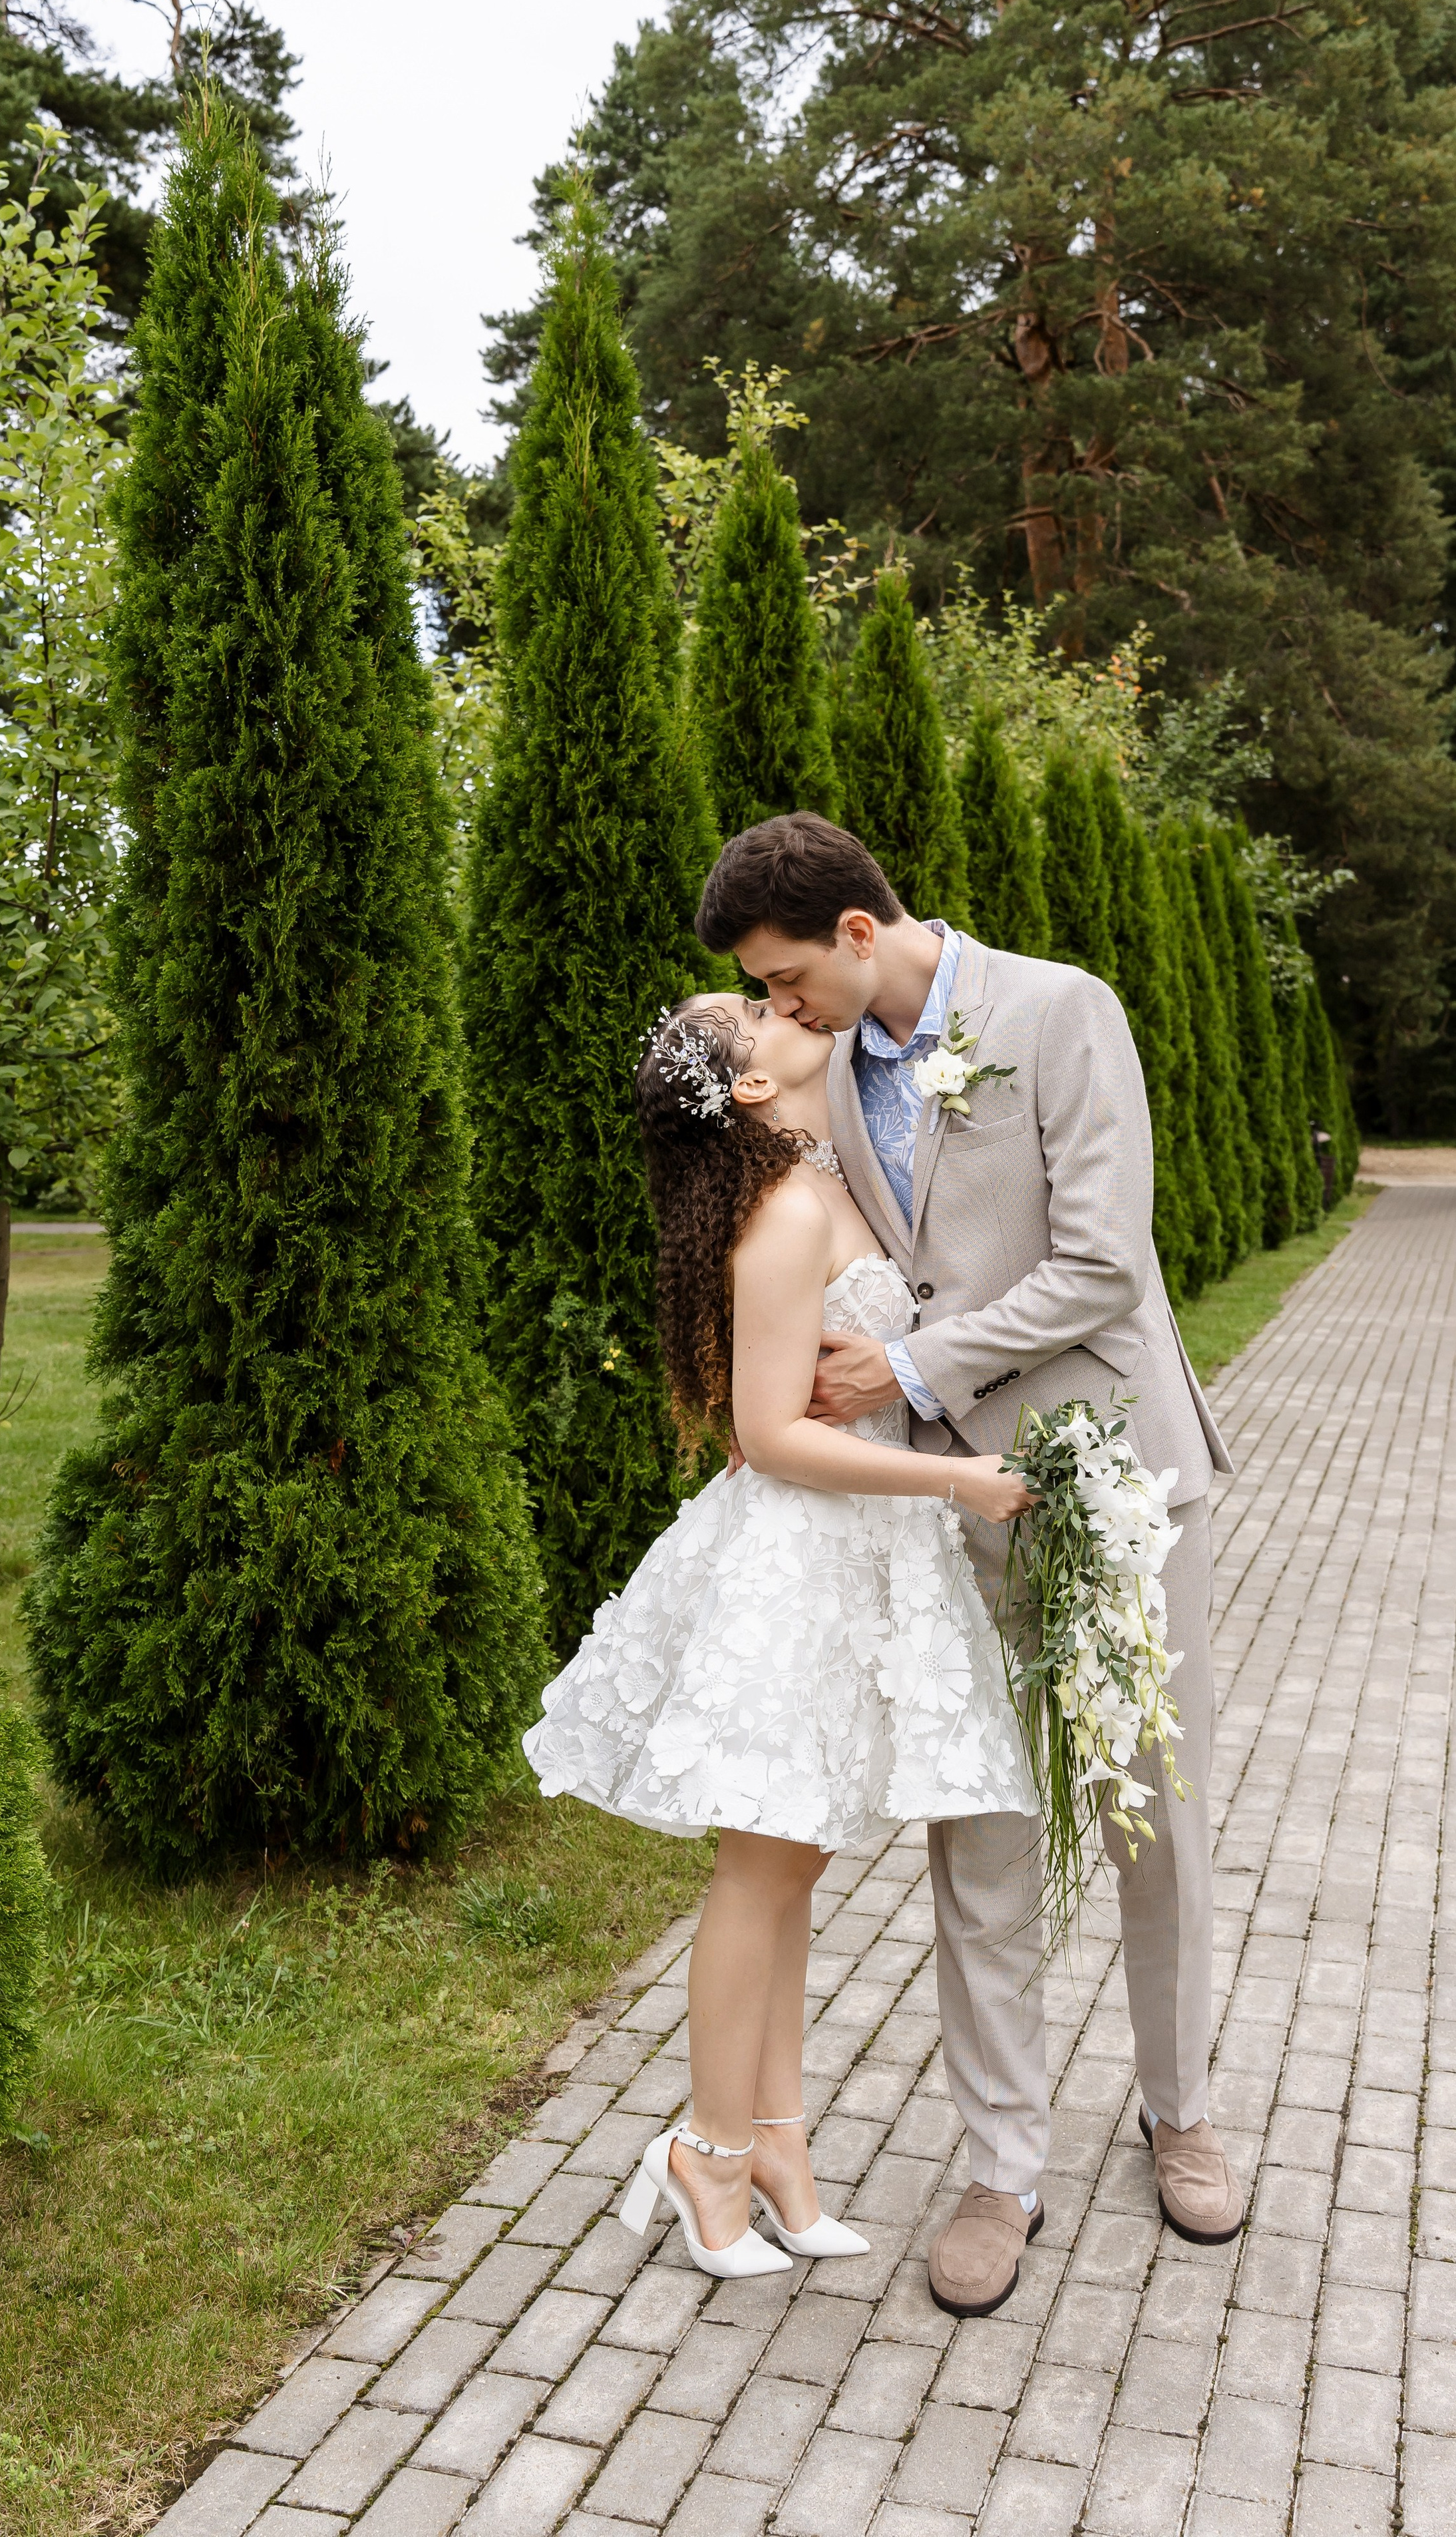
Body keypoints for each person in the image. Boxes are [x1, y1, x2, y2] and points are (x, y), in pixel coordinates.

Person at [695, 811, 1242, 2321]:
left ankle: (1178, 2110)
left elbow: (1100, 1263)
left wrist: (909, 1368)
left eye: (788, 973)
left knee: (1153, 1816)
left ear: (858, 932)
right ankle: (1000, 2166)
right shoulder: (810, 1079)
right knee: (980, 1835)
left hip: (1115, 1474)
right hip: (948, 1510)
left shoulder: (1058, 1011)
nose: (781, 1004)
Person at [524, 993, 1036, 2282]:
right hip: (799, 1562)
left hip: (851, 1552)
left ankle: (778, 2148)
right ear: (748, 1089)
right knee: (758, 1873)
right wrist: (959, 1482)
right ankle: (703, 2148)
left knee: (794, 1865)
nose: (776, 1003)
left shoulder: (826, 1177)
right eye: (746, 1012)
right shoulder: (787, 1213)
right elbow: (768, 1435)